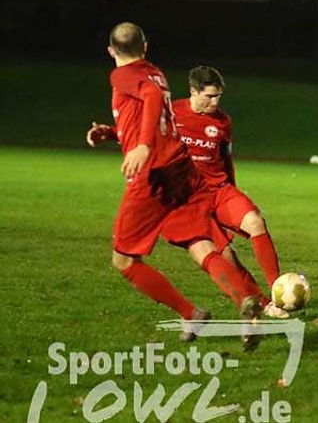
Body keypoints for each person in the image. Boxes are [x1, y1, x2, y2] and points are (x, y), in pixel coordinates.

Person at [85, 23, 261, 348]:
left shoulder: (123, 75)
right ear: (145, 46)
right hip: (181, 168)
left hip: (153, 178)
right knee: (199, 244)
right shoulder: (156, 73)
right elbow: (147, 114)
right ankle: (244, 300)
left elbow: (150, 100)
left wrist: (143, 147)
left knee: (124, 261)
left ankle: (191, 313)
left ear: (111, 51)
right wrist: (111, 133)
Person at [171, 65, 287, 319]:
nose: (215, 102)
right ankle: (264, 303)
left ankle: (280, 290)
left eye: (218, 96)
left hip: (220, 190)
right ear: (193, 91)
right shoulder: (171, 112)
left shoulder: (223, 122)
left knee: (255, 222)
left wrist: (232, 190)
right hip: (190, 200)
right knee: (226, 258)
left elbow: (226, 160)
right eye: (209, 96)